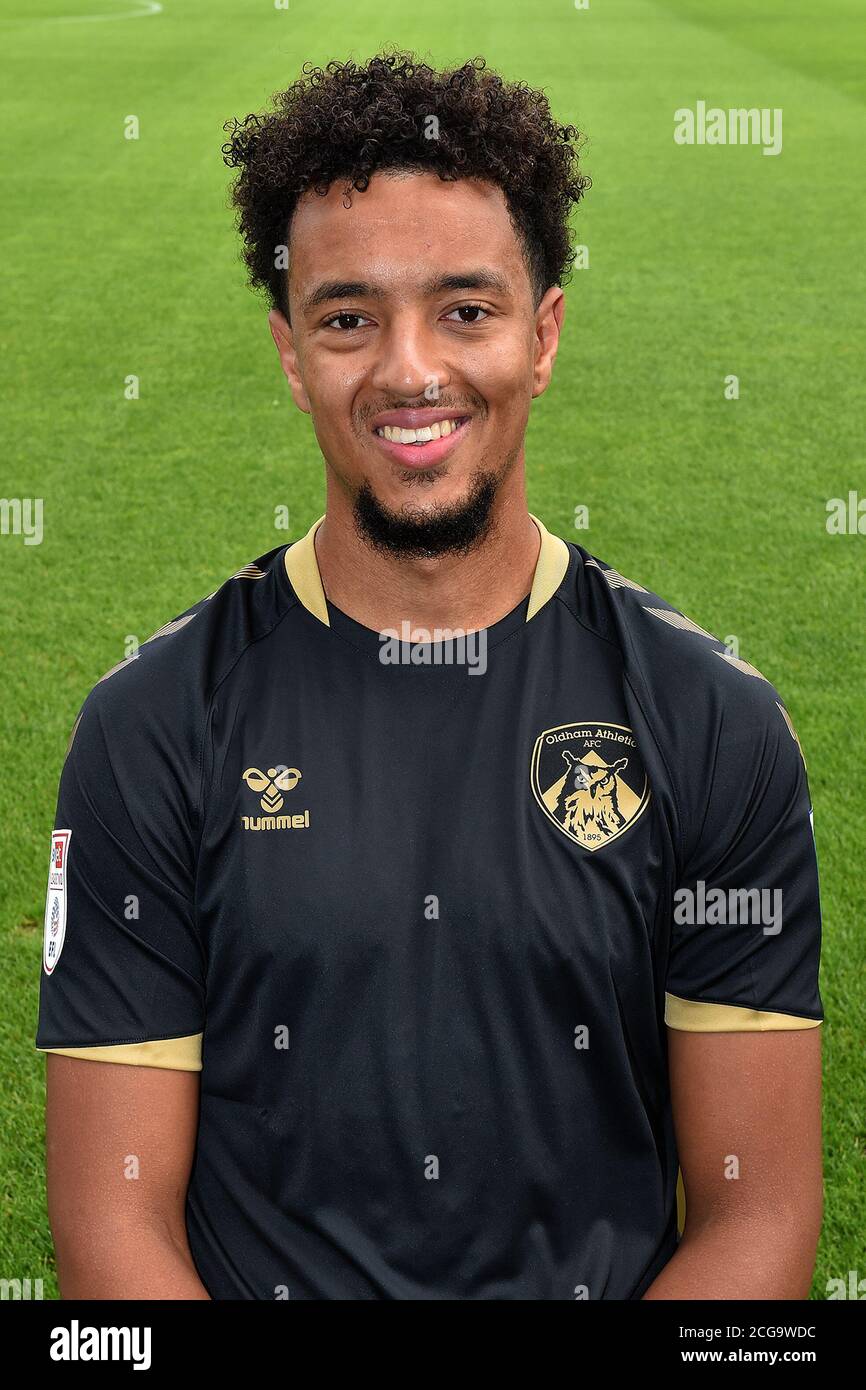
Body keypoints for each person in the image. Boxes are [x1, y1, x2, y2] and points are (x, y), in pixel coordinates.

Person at [36, 52, 823, 1300]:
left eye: (465, 308)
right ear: (293, 352)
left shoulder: (710, 722)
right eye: (349, 317)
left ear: (543, 334)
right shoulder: (150, 728)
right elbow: (112, 1227)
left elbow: (760, 1210)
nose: (409, 371)